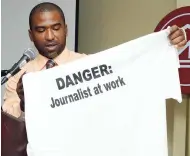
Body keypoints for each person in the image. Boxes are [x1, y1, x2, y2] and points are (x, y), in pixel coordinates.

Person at [2, 2, 187, 118]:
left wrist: (166, 46)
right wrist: (25, 103)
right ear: (31, 35)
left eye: (56, 28)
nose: (50, 36)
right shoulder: (18, 79)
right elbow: (10, 133)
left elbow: (132, 75)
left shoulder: (90, 65)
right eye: (41, 30)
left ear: (65, 30)